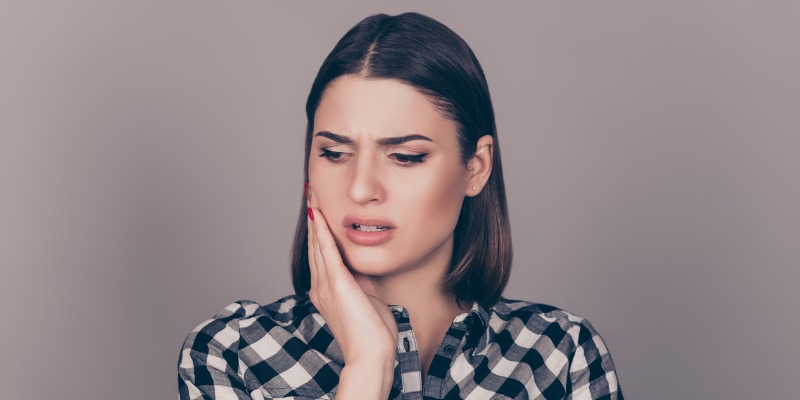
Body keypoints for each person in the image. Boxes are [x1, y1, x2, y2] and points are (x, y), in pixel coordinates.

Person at [177, 12, 623, 400]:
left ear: (476, 168)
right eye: (334, 154)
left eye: (405, 156)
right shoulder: (233, 352)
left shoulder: (559, 355)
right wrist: (367, 365)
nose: (361, 188)